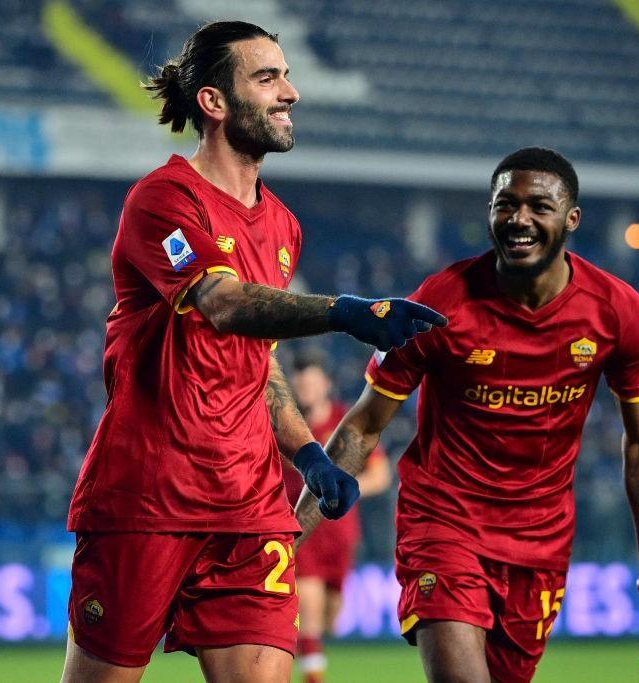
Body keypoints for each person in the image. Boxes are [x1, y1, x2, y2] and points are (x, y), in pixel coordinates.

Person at [61, 21, 445, 683]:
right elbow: (224, 304)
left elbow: (255, 358)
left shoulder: (282, 225)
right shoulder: (164, 200)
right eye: (267, 78)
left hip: (248, 504)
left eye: (287, 76)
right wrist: (347, 311)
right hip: (148, 498)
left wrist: (307, 454)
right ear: (214, 102)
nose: (290, 92)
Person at [295, 147, 639, 682]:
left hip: (540, 542)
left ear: (572, 219)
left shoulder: (617, 312)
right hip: (444, 523)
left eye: (539, 206)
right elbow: (364, 422)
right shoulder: (442, 302)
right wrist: (288, 538)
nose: (519, 219)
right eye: (505, 204)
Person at [281, 351, 392, 683]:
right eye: (300, 383)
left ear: (326, 385)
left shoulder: (344, 424)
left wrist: (344, 488)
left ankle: (312, 651)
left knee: (330, 619)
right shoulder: (286, 428)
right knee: (310, 616)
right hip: (301, 533)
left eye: (312, 382)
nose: (306, 389)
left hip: (341, 536)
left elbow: (381, 475)